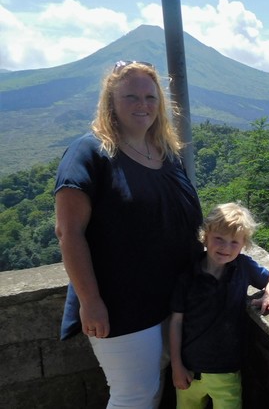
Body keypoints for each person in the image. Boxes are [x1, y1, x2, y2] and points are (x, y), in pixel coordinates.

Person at [55, 60, 203, 408]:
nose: (143, 105)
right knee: (134, 397)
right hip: (121, 305)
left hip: (173, 300)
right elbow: (69, 232)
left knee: (154, 390)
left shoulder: (166, 153)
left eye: (151, 97)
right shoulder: (89, 153)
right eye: (131, 97)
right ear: (111, 102)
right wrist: (90, 303)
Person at [169, 202, 269, 409]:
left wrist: (268, 296)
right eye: (218, 239)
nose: (225, 248)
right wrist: (176, 366)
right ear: (205, 237)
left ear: (243, 245)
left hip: (227, 370)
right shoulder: (188, 275)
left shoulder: (243, 267)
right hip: (190, 371)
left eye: (234, 243)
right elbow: (176, 322)